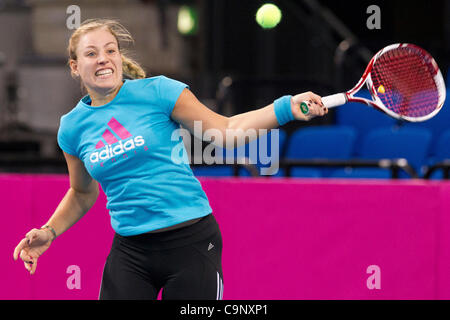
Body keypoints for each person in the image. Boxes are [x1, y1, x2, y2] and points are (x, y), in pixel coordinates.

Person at [13, 18, 327, 300]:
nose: (103, 59)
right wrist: (49, 231)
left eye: (110, 50)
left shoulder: (160, 92)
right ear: (74, 66)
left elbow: (228, 130)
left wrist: (285, 108)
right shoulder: (71, 127)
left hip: (191, 243)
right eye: (91, 53)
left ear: (120, 57)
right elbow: (82, 192)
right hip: (131, 251)